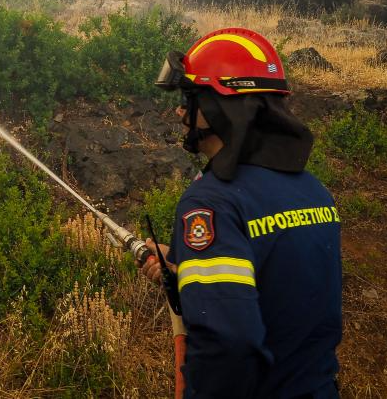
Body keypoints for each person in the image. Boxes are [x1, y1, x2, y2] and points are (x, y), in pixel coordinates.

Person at [140, 27, 342, 399]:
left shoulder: (211, 204)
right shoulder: (314, 192)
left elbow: (229, 345)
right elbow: (275, 286)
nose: (180, 111)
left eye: (189, 98)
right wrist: (187, 269)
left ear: (219, 108)